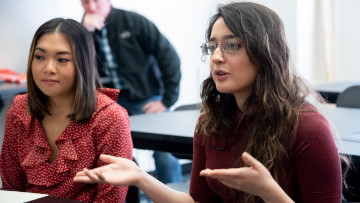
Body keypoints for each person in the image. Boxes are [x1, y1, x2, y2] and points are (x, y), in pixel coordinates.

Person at [74, 2, 348, 203]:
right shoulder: (212, 121)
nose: (216, 56)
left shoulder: (308, 128)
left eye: (231, 45)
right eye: (213, 46)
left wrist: (269, 192)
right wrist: (139, 177)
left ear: (265, 54)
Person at [0, 18, 133, 203]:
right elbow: (11, 190)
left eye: (62, 59)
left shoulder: (109, 117)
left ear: (82, 64)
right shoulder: (19, 110)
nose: (49, 68)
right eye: (39, 57)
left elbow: (111, 199)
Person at [80, 0, 182, 184]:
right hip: (112, 101)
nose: (92, 7)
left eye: (97, 0)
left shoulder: (133, 21)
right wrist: (83, 34)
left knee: (165, 153)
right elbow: (76, 66)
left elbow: (169, 56)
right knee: (105, 152)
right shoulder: (84, 30)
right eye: (86, 2)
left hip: (147, 98)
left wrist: (167, 100)